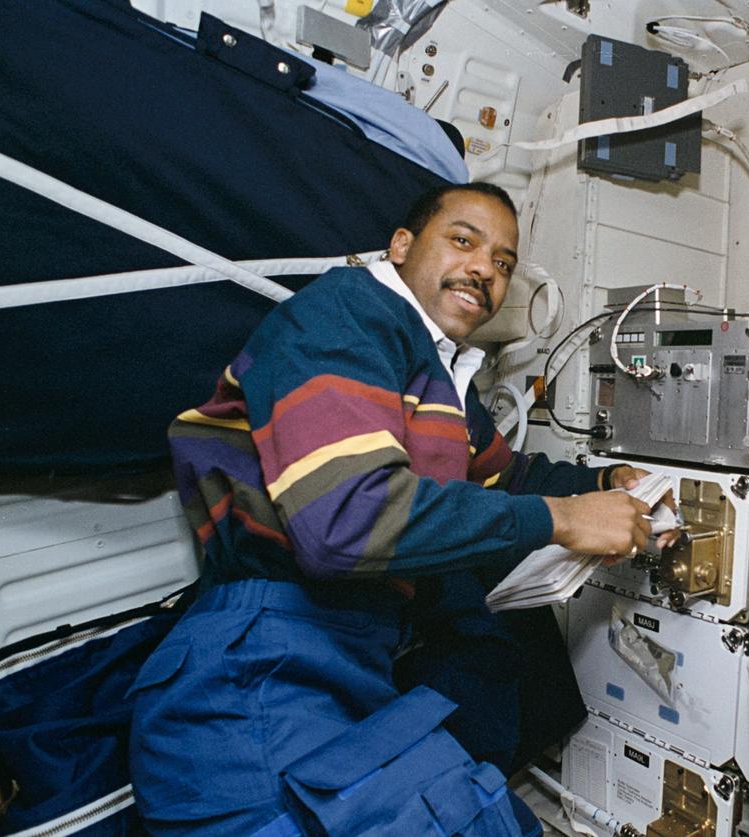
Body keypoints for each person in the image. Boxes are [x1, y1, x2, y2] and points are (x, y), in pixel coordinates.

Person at [129, 182, 671, 836]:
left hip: (353, 664)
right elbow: (345, 522)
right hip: (255, 671)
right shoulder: (345, 316)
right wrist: (561, 518)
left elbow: (510, 477)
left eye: (503, 262)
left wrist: (606, 480)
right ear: (402, 246)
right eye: (464, 240)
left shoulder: (440, 382)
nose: (484, 269)